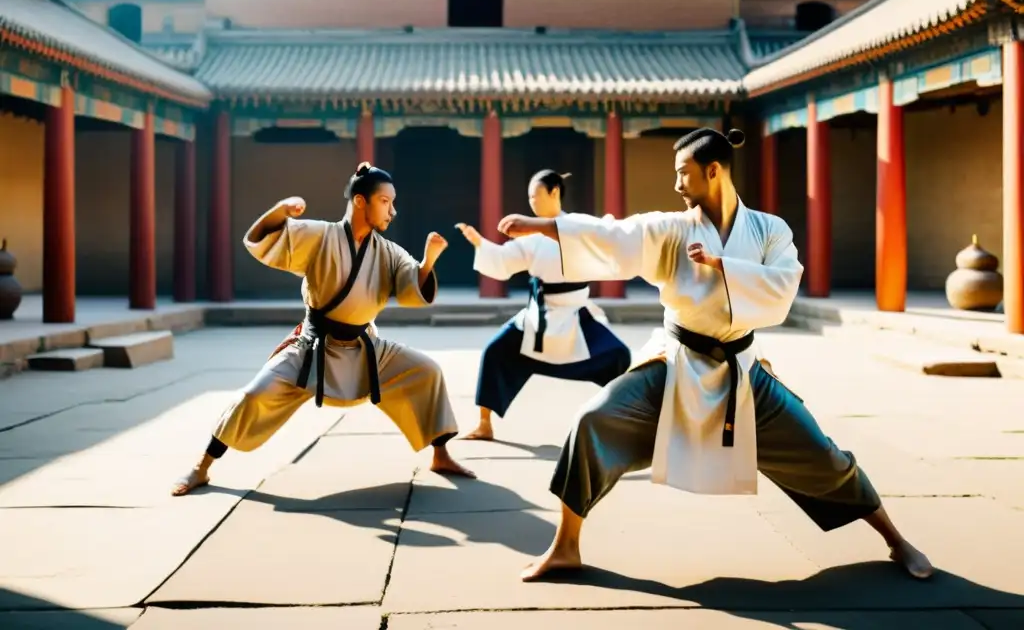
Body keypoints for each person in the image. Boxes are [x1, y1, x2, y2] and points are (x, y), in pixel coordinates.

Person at [496, 128, 933, 582]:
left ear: (713, 171)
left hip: (741, 371)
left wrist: (724, 266)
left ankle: (896, 540)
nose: (677, 185)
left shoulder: (768, 230)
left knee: (821, 454)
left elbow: (782, 288)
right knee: (592, 420)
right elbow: (615, 235)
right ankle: (565, 546)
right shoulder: (673, 229)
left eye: (684, 174)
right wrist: (545, 227)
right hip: (674, 361)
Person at [171, 162, 473, 496]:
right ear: (361, 201)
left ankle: (441, 455)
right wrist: (279, 211)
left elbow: (409, 287)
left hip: (365, 349)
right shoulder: (320, 236)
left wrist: (428, 262)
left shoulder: (387, 252)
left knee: (427, 372)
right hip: (312, 349)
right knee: (253, 396)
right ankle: (202, 467)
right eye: (386, 201)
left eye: (393, 202)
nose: (393, 211)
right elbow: (261, 239)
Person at [454, 170, 632, 441]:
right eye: (529, 197)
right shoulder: (531, 235)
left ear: (554, 192)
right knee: (494, 351)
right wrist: (480, 243)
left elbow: (604, 234)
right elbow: (503, 261)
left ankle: (623, 421)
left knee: (619, 356)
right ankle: (484, 424)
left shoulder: (577, 226)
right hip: (539, 315)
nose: (532, 202)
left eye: (536, 196)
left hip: (575, 314)